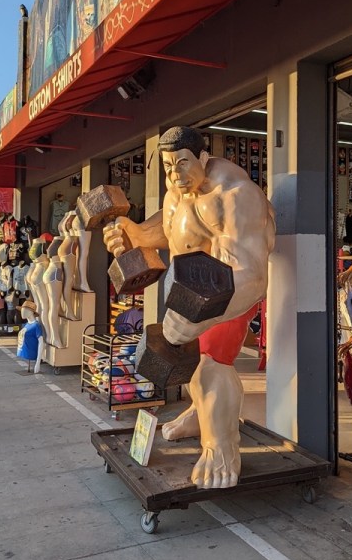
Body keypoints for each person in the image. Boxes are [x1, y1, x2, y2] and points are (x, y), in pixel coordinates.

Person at [104, 126, 275, 489]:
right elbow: (175, 229)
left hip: (229, 285)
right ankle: (201, 415)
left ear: (203, 157)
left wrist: (204, 314)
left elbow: (254, 276)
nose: (175, 174)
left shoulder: (235, 195)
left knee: (210, 365)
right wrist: (133, 233)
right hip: (187, 286)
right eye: (167, 167)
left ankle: (223, 447)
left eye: (182, 163)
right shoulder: (176, 189)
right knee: (184, 360)